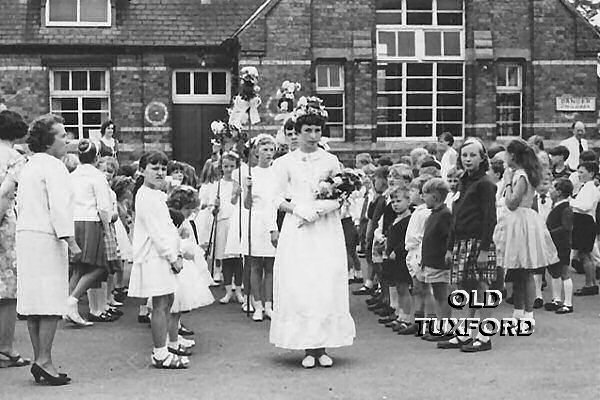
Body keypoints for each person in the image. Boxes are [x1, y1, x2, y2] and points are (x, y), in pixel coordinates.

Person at [269, 106, 355, 368]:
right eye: (307, 130)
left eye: (317, 130)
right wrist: (298, 209)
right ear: (297, 132)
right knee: (302, 284)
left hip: (325, 227)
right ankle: (308, 347)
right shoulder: (284, 163)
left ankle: (323, 347)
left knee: (325, 282)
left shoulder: (330, 161)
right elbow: (275, 197)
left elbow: (341, 193)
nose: (313, 135)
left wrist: (323, 209)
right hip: (298, 228)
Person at [16, 114, 81, 384]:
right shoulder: (54, 167)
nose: (66, 140)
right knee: (52, 302)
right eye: (62, 135)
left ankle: (39, 358)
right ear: (48, 141)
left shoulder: (29, 165)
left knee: (34, 303)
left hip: (27, 236)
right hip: (47, 237)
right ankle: (45, 360)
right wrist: (71, 240)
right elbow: (59, 207)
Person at [128, 151, 188, 369]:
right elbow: (156, 233)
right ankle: (160, 353)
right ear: (142, 171)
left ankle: (165, 347)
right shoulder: (145, 196)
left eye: (163, 168)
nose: (160, 172)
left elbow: (168, 228)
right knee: (160, 305)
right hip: (155, 256)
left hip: (164, 255)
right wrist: (173, 258)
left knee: (168, 301)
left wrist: (178, 250)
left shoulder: (158, 195)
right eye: (154, 168)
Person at [439, 137, 497, 352]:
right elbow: (457, 216)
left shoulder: (485, 184)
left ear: (482, 158)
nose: (468, 159)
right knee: (465, 288)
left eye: (473, 155)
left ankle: (485, 336)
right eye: (464, 155)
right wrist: (449, 246)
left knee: (482, 287)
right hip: (461, 242)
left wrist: (483, 249)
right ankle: (466, 333)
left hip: (478, 242)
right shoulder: (465, 181)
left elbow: (490, 218)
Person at [501, 139, 558, 327]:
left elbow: (512, 202)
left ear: (513, 156)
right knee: (517, 270)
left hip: (520, 221)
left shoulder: (520, 176)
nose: (505, 158)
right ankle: (518, 311)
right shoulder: (522, 173)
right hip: (518, 220)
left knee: (524, 270)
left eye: (507, 154)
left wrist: (508, 183)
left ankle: (528, 313)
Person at [66, 140, 114, 326]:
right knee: (100, 266)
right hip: (91, 222)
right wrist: (108, 228)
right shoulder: (97, 176)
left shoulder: (72, 175)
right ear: (97, 157)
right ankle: (72, 300)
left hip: (73, 222)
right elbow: (103, 207)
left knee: (79, 267)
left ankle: (68, 306)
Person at [166, 187, 214, 357]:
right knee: (173, 309)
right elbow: (175, 244)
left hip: (185, 269)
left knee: (178, 309)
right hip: (177, 270)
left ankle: (175, 336)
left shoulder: (183, 220)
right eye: (187, 209)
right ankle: (171, 341)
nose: (189, 213)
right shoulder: (173, 220)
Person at [0, 110, 30, 368]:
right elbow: (6, 194)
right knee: (7, 292)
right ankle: (5, 348)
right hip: (3, 224)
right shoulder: (15, 158)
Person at [242, 134, 278, 321]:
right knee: (255, 265)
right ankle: (257, 305)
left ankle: (269, 305)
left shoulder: (278, 173)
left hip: (273, 220)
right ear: (256, 151)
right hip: (255, 221)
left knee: (270, 266)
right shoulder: (250, 173)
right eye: (265, 149)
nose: (268, 153)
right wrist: (247, 188)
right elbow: (247, 205)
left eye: (272, 150)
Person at [203, 152, 244, 304]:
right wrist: (215, 206)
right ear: (221, 167)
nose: (229, 169)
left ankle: (238, 288)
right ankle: (227, 289)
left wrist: (236, 195)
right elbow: (213, 209)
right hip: (222, 222)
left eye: (232, 166)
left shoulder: (238, 184)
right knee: (225, 256)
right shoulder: (216, 185)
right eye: (226, 166)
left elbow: (237, 204)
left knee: (237, 257)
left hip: (235, 222)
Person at [420, 178, 452, 342]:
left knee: (441, 295)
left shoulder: (444, 215)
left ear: (436, 196)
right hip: (431, 261)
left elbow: (448, 237)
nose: (422, 198)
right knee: (438, 294)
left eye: (426, 195)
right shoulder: (434, 214)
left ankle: (445, 327)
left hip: (439, 262)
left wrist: (448, 252)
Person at [544, 179, 575, 313]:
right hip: (554, 244)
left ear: (559, 192)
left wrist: (549, 233)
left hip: (562, 245)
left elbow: (566, 227)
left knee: (564, 272)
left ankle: (568, 303)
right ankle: (556, 299)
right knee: (554, 272)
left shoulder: (566, 208)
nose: (550, 191)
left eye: (553, 188)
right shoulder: (557, 205)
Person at [571, 161, 600, 296]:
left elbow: (586, 206)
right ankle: (592, 283)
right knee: (586, 254)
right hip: (583, 221)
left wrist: (570, 202)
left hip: (585, 222)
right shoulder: (586, 187)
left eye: (582, 172)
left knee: (584, 254)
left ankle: (589, 284)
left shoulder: (590, 188)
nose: (579, 175)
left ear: (591, 173)